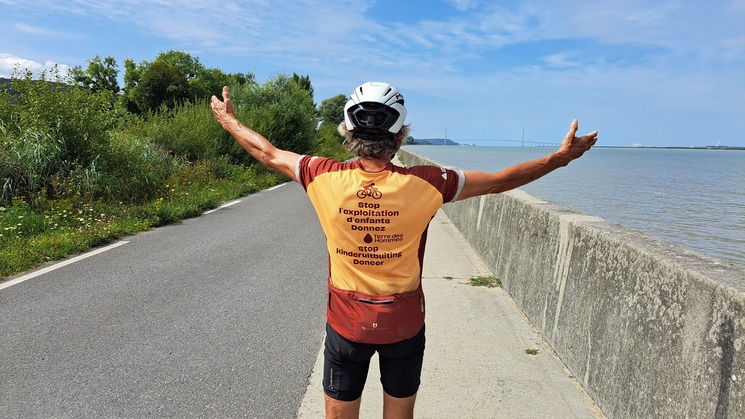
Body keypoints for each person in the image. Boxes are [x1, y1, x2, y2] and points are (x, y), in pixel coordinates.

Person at [211, 82, 598, 419]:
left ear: (348, 132)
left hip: (346, 326)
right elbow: (498, 181)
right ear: (400, 138)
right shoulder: (430, 183)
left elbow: (268, 152)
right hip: (405, 326)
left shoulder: (321, 175)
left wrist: (229, 122)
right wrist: (558, 159)